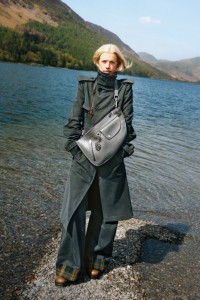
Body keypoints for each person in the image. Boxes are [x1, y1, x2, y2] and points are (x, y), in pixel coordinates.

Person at [55, 44, 136, 287]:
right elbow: (73, 121)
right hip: (83, 160)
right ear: (97, 62)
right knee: (74, 213)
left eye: (113, 62)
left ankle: (95, 261)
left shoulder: (124, 90)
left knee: (105, 214)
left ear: (118, 64)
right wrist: (73, 149)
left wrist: (119, 154)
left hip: (111, 163)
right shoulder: (85, 86)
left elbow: (127, 126)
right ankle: (68, 267)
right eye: (104, 61)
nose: (108, 66)